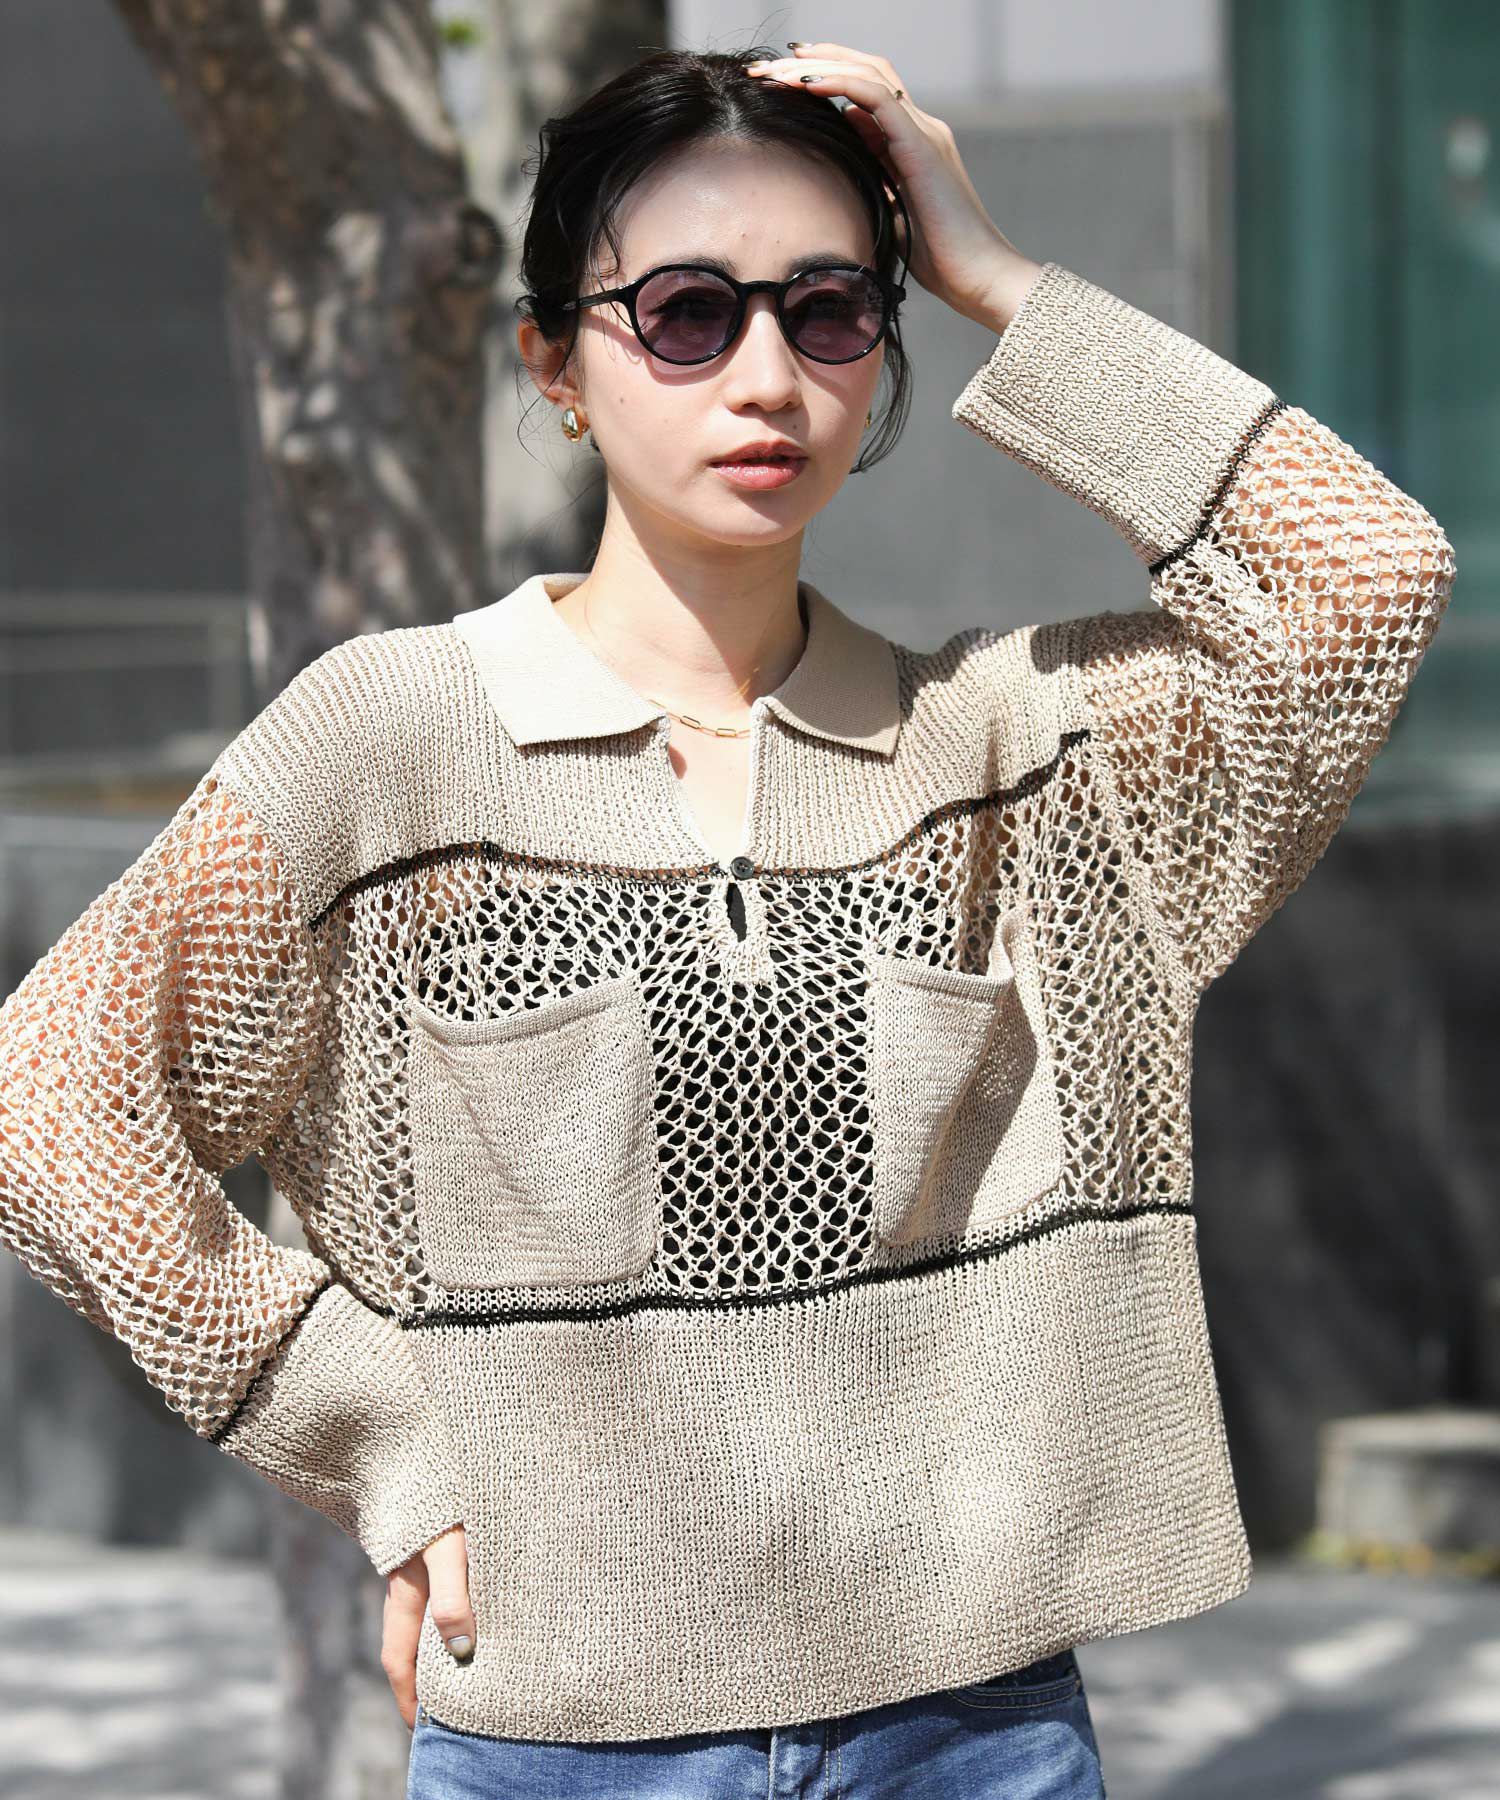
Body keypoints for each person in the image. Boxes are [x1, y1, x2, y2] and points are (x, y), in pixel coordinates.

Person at [0, 37, 1455, 1800]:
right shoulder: (395, 744)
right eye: (687, 313)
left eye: (831, 310)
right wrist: (368, 1435)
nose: (768, 374)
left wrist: (998, 278)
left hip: (975, 1730)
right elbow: (52, 1097)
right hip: (563, 1738)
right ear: (554, 363)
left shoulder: (1011, 756)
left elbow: (1362, 580)